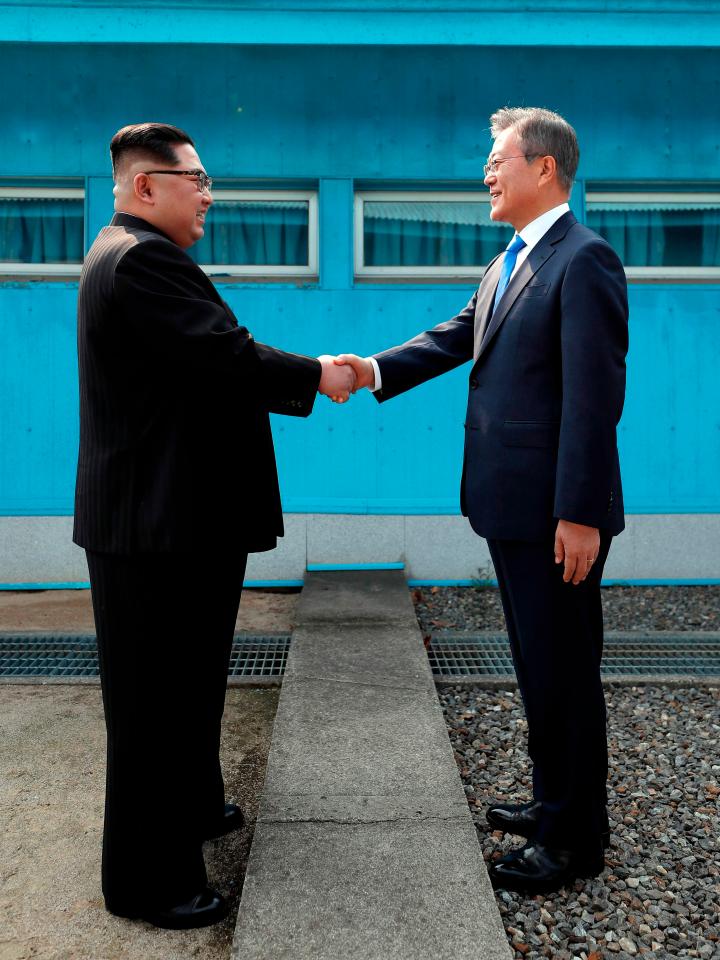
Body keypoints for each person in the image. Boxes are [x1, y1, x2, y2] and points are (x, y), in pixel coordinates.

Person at [336, 107, 628, 894]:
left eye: (498, 159)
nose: (487, 174)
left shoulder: (585, 260)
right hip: (508, 506)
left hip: (554, 516)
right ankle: (553, 801)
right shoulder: (509, 262)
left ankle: (573, 843)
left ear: (545, 169)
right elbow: (456, 335)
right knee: (538, 665)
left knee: (565, 671)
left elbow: (594, 402)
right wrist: (369, 369)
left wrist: (581, 513)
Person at [73, 122, 354, 929]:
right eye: (193, 178)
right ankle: (147, 882)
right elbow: (228, 355)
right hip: (153, 530)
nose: (208, 193)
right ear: (143, 185)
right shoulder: (141, 259)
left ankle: (193, 807)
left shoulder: (134, 255)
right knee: (153, 708)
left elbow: (204, 364)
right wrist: (322, 375)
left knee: (188, 688)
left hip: (173, 522)